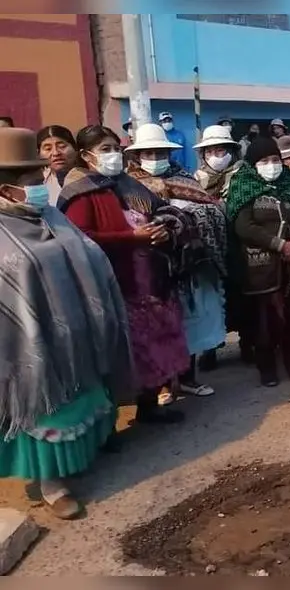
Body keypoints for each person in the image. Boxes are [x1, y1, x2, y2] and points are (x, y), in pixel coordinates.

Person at [0, 127, 132, 520]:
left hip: (76, 332)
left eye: (38, 178)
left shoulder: (51, 215)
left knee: (84, 399)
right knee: (47, 409)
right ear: (7, 190)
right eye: (30, 182)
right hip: (30, 346)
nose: (39, 188)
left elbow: (87, 251)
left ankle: (86, 453)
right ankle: (51, 483)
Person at [59, 125, 189, 423]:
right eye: (105, 149)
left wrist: (164, 230)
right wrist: (131, 237)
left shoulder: (129, 184)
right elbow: (79, 237)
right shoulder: (80, 192)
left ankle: (149, 405)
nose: (114, 155)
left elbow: (162, 211)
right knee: (122, 349)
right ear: (85, 155)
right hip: (115, 283)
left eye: (116, 148)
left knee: (150, 344)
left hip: (148, 280)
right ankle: (110, 418)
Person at [125, 123, 226, 401]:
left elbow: (211, 209)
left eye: (160, 153)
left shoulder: (184, 179)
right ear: (138, 156)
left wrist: (185, 221)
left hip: (188, 265)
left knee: (190, 324)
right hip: (150, 267)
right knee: (158, 328)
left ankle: (188, 378)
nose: (155, 158)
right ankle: (163, 385)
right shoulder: (127, 185)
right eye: (149, 153)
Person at [227, 136, 290, 386]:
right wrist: (279, 244)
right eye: (264, 161)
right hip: (260, 268)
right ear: (252, 164)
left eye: (275, 159)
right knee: (264, 321)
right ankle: (266, 367)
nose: (272, 165)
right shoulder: (242, 186)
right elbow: (244, 226)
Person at [192, 125, 246, 371]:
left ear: (231, 151)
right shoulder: (194, 181)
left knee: (242, 298)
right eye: (210, 151)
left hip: (241, 245)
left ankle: (248, 343)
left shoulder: (243, 175)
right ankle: (211, 348)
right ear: (203, 155)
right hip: (210, 249)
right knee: (212, 301)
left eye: (220, 150)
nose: (216, 155)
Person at [37, 125, 78, 205]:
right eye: (48, 149)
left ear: (75, 148)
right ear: (38, 154)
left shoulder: (88, 178)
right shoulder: (38, 184)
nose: (56, 153)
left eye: (62, 146)